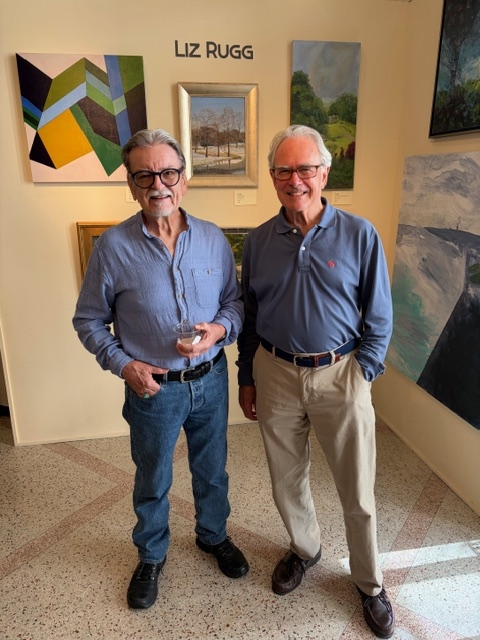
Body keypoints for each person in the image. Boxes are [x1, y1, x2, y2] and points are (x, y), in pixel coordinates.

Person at [73, 128, 249, 610]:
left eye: (168, 173)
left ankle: (213, 536)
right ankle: (151, 554)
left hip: (211, 380)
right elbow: (88, 320)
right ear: (131, 185)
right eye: (145, 175)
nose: (158, 185)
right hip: (153, 389)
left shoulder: (213, 238)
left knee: (212, 471)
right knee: (152, 478)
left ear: (184, 180)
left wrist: (219, 329)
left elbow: (234, 304)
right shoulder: (112, 247)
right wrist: (123, 364)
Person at [237, 124, 394, 639]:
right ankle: (305, 549)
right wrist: (247, 376)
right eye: (283, 170)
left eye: (305, 168)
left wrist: (362, 372)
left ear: (324, 173)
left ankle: (369, 582)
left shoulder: (359, 234)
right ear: (272, 177)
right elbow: (250, 316)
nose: (295, 180)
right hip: (275, 372)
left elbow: (380, 315)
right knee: (286, 478)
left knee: (357, 487)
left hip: (340, 373)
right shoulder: (258, 241)